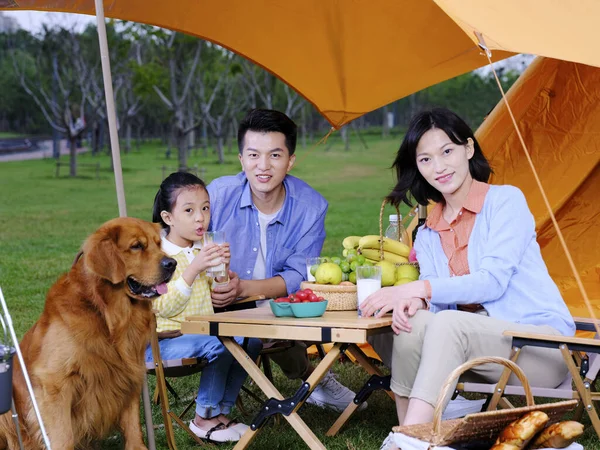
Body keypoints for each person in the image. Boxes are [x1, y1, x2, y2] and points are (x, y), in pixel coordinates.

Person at [360, 108, 575, 427]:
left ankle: (405, 441)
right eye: (426, 159)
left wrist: (418, 288)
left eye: (447, 151)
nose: (439, 166)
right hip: (475, 350)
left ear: (469, 149)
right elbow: (438, 297)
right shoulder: (430, 231)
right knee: (412, 322)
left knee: (447, 323)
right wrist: (416, 301)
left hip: (539, 349)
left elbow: (492, 283)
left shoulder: (505, 202)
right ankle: (412, 431)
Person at [206, 108, 365, 412]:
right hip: (211, 302)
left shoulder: (311, 206)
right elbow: (183, 243)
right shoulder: (218, 194)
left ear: (290, 160)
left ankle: (314, 378)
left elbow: (296, 275)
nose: (262, 166)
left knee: (280, 309)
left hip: (274, 301)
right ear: (241, 159)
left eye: (275, 156)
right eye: (253, 155)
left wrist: (244, 290)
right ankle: (219, 404)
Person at [147, 172, 263, 443]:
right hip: (162, 343)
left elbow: (214, 292)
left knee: (251, 341)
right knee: (221, 342)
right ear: (168, 217)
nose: (200, 217)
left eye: (205, 208)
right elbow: (161, 307)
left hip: (203, 333)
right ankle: (204, 417)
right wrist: (193, 270)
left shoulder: (202, 247)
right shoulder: (157, 256)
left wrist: (224, 275)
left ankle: (221, 413)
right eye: (189, 210)